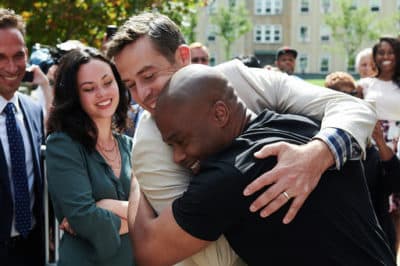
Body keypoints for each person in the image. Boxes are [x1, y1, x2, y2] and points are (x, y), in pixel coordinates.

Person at [106, 12, 376, 265]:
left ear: (183, 56)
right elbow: (213, 258)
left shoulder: (239, 78)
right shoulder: (150, 144)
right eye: (130, 85)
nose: (143, 94)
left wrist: (317, 155)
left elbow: (353, 108)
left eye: (149, 75)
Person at [127, 64, 395, 266]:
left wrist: (139, 173)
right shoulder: (301, 125)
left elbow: (150, 251)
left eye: (180, 141)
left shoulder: (230, 175)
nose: (176, 157)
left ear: (220, 114)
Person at [45, 48, 135, 266]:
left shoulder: (130, 145)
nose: (102, 93)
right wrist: (142, 221)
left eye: (107, 82)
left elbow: (158, 207)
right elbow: (83, 216)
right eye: (89, 88)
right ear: (75, 97)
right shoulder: (62, 145)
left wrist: (107, 206)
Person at [325, 71, 400, 253]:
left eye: (353, 95)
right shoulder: (321, 145)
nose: (350, 100)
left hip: (376, 237)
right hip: (340, 238)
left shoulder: (369, 148)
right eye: (341, 95)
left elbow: (395, 183)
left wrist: (380, 142)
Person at [0, 8, 45, 266]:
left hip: (32, 251)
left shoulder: (33, 109)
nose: (11, 67)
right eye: (1, 57)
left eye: (18, 55)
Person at [358, 37, 400, 252]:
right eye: (381, 52)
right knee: (381, 204)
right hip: (373, 143)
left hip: (398, 142)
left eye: (390, 52)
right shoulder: (365, 84)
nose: (386, 57)